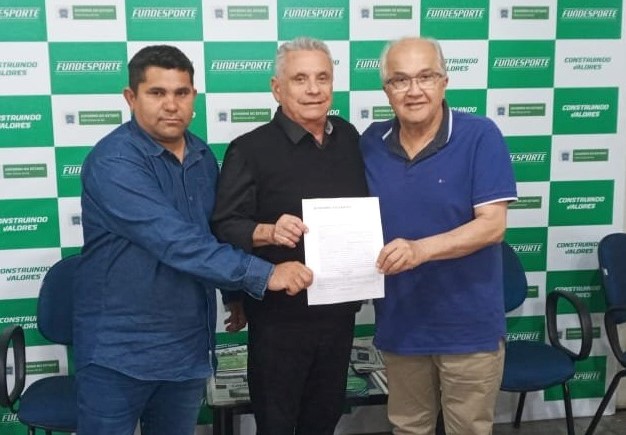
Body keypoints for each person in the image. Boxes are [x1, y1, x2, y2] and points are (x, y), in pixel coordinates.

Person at [73, 44, 313, 435]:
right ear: (131, 97)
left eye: (181, 92)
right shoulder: (114, 162)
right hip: (119, 354)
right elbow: (175, 241)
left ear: (194, 97)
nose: (171, 105)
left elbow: (213, 229)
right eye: (157, 93)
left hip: (186, 348)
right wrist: (265, 274)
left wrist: (233, 294)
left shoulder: (201, 154)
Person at [359, 37, 518, 435]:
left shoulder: (480, 135)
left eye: (425, 77)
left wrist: (421, 250)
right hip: (401, 322)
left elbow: (493, 225)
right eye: (400, 80)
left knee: (468, 429)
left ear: (444, 81)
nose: (414, 90)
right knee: (409, 428)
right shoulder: (370, 143)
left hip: (468, 326)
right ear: (386, 90)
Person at [211, 37, 369, 435]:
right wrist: (267, 231)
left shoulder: (349, 137)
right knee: (277, 424)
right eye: (300, 79)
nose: (313, 89)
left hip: (339, 315)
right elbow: (224, 224)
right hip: (279, 322)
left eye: (322, 78)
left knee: (324, 418)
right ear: (277, 88)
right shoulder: (249, 149)